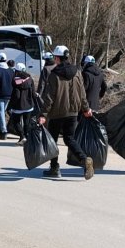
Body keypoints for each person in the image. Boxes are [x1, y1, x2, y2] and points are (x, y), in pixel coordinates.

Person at [39, 45, 95, 180]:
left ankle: (54, 168)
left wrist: (43, 114)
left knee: (53, 140)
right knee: (69, 138)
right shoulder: (77, 72)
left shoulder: (54, 74)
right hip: (74, 112)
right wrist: (86, 109)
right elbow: (82, 93)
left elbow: (49, 97)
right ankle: (84, 159)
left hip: (57, 112)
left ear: (57, 58)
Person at [8, 63, 35, 146]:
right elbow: (33, 92)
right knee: (26, 122)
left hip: (18, 106)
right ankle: (26, 137)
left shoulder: (15, 81)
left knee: (16, 122)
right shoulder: (30, 79)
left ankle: (22, 136)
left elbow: (16, 95)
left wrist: (10, 105)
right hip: (29, 105)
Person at [0, 52, 13, 139]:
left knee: (1, 112)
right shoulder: (11, 70)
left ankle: (3, 131)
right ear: (6, 60)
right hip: (9, 94)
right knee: (2, 112)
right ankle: (3, 128)